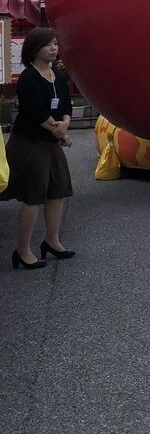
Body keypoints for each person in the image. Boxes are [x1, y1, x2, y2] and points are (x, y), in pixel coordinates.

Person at [1, 27, 75, 270]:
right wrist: (59, 131)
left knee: (58, 190)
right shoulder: (29, 78)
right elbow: (34, 112)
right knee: (34, 196)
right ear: (34, 49)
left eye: (55, 43)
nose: (54, 48)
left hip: (51, 141)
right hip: (30, 143)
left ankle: (51, 241)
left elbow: (66, 103)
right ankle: (22, 250)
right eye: (48, 44)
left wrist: (65, 122)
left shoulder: (59, 76)